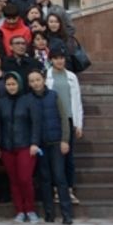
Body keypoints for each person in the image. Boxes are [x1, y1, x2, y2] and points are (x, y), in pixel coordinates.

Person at [28, 69, 73, 224]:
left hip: (56, 142)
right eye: (32, 81)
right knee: (45, 179)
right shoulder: (29, 99)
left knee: (60, 177)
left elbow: (63, 117)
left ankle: (67, 213)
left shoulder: (54, 96)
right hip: (40, 145)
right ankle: (49, 213)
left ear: (43, 80)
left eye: (38, 80)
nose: (35, 83)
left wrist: (65, 140)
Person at [0, 71, 41, 222]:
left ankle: (30, 209)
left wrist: (35, 143)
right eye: (8, 84)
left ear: (19, 84)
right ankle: (20, 210)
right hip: (7, 147)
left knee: (25, 178)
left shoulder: (28, 100)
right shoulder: (1, 102)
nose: (11, 87)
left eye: (13, 84)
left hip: (25, 146)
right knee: (14, 180)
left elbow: (36, 123)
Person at [46, 48, 84, 205]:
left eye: (62, 58)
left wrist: (79, 124)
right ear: (51, 60)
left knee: (69, 158)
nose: (59, 61)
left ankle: (69, 189)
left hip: (68, 120)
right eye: (56, 58)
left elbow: (77, 100)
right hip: (53, 121)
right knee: (55, 157)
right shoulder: (46, 76)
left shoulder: (71, 77)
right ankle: (56, 190)